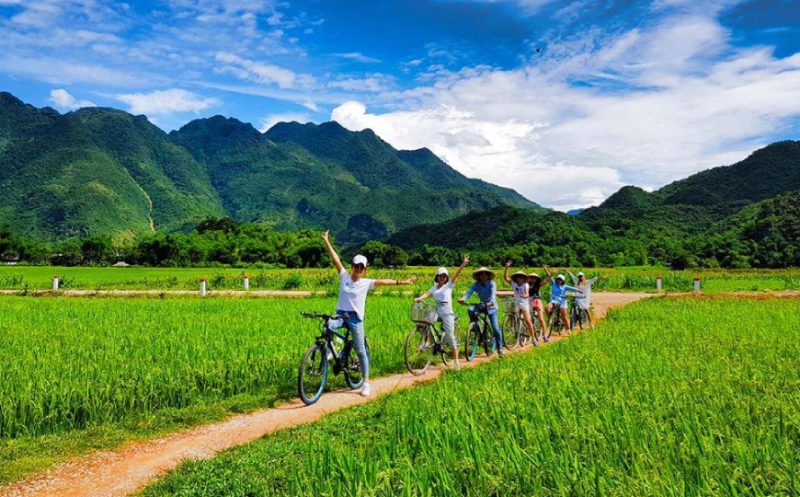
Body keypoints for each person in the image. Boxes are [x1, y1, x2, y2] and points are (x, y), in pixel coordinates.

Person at [322, 230, 414, 397]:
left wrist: (402, 282)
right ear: (352, 267)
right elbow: (335, 259)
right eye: (355, 266)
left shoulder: (366, 283)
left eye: (361, 267)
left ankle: (366, 382)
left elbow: (384, 282)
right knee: (328, 324)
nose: (358, 269)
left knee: (360, 350)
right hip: (341, 314)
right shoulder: (344, 276)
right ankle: (330, 348)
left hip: (355, 319)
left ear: (364, 270)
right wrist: (327, 241)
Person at [414, 256, 470, 369]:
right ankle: (425, 342)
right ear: (437, 277)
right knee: (425, 321)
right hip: (437, 311)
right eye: (440, 276)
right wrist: (419, 298)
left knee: (450, 336)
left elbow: (456, 274)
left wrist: (463, 264)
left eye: (444, 276)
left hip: (447, 312)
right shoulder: (434, 287)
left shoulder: (448, 286)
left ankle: (456, 361)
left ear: (446, 278)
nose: (442, 278)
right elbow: (427, 294)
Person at [457, 266, 504, 357]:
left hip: (492, 307)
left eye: (484, 274)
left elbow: (493, 294)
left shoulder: (492, 284)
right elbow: (469, 292)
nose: (482, 276)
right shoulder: (476, 284)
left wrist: (491, 302)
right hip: (482, 304)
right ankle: (475, 328)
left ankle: (500, 348)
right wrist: (463, 299)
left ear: (488, 276)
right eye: (481, 275)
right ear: (478, 277)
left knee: (495, 328)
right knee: (470, 310)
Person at [501, 261, 538, 346]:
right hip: (516, 302)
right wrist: (506, 267)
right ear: (516, 278)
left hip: (524, 302)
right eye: (518, 277)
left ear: (523, 278)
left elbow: (527, 293)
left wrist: (525, 294)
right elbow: (505, 278)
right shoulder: (513, 283)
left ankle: (533, 339)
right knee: (512, 314)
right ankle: (514, 330)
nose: (519, 278)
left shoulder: (525, 285)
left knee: (528, 321)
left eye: (521, 277)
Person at [543, 264, 580, 332]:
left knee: (564, 316)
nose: (559, 280)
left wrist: (580, 291)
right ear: (557, 279)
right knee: (546, 308)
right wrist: (545, 269)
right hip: (554, 300)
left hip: (562, 301)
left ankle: (568, 330)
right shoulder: (554, 283)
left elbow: (574, 289)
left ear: (563, 281)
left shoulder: (565, 286)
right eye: (558, 279)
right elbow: (549, 275)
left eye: (561, 280)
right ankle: (552, 320)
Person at [527, 270, 551, 341]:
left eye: (534, 278)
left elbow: (547, 280)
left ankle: (545, 335)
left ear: (536, 279)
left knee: (541, 319)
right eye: (532, 277)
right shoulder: (526, 284)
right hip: (529, 301)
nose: (533, 279)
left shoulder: (538, 284)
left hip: (537, 300)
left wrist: (548, 274)